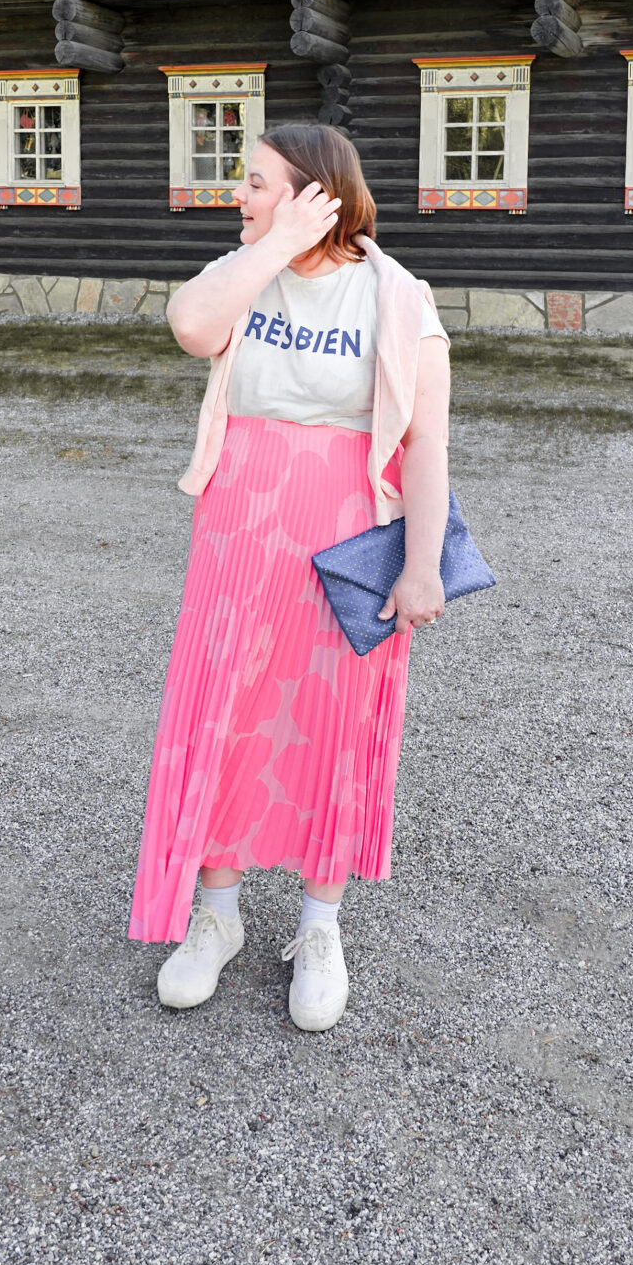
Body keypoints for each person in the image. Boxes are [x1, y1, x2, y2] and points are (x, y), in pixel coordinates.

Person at [128, 122, 452, 1032]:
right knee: (225, 709)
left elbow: (427, 443)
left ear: (318, 194)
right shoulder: (246, 272)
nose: (239, 195)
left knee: (333, 717)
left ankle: (319, 926)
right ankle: (218, 914)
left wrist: (421, 567)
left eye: (258, 182)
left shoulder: (399, 297)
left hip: (348, 533)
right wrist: (274, 243)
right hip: (239, 527)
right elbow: (191, 327)